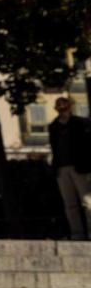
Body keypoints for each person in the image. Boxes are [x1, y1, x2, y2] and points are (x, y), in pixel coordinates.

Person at [49, 96, 91, 240]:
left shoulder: (81, 123)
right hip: (61, 169)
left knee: (87, 202)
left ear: (70, 107)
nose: (62, 110)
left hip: (80, 167)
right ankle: (77, 234)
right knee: (70, 205)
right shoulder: (53, 126)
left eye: (64, 107)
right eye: (59, 107)